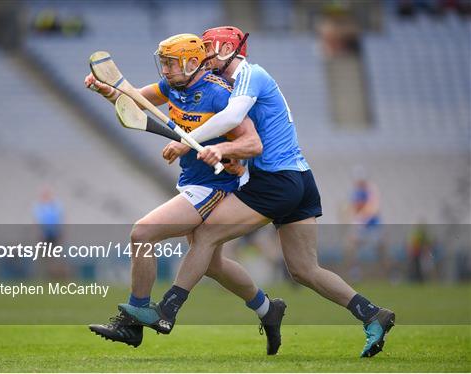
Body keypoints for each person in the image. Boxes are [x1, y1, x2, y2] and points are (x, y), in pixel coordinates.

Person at [120, 26, 395, 358]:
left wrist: (201, 147)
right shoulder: (232, 86)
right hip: (299, 179)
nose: (204, 57)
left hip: (274, 181)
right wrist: (229, 156)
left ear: (226, 50)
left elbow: (241, 128)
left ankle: (167, 310)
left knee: (204, 237)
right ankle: (371, 314)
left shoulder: (250, 74)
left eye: (209, 49)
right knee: (305, 270)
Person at [85, 34, 286, 354]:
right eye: (162, 62)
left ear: (193, 62)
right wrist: (108, 91)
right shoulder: (171, 87)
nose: (164, 70)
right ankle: (267, 309)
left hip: (216, 186)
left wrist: (227, 155)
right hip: (192, 181)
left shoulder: (218, 94)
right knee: (214, 264)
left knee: (142, 233)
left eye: (170, 63)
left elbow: (252, 142)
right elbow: (135, 101)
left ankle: (133, 322)